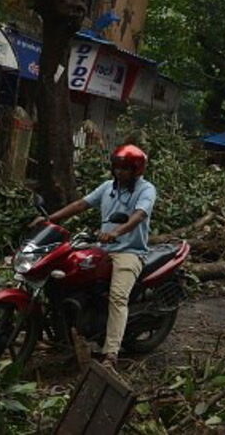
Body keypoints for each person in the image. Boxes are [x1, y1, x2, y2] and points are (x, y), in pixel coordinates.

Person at [31, 144, 155, 370]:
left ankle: (111, 354)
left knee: (118, 297)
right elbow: (81, 204)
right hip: (102, 247)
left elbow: (139, 215)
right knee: (66, 272)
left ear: (136, 170)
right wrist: (51, 219)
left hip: (129, 252)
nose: (120, 172)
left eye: (125, 169)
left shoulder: (146, 189)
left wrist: (116, 232)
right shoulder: (108, 187)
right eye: (117, 167)